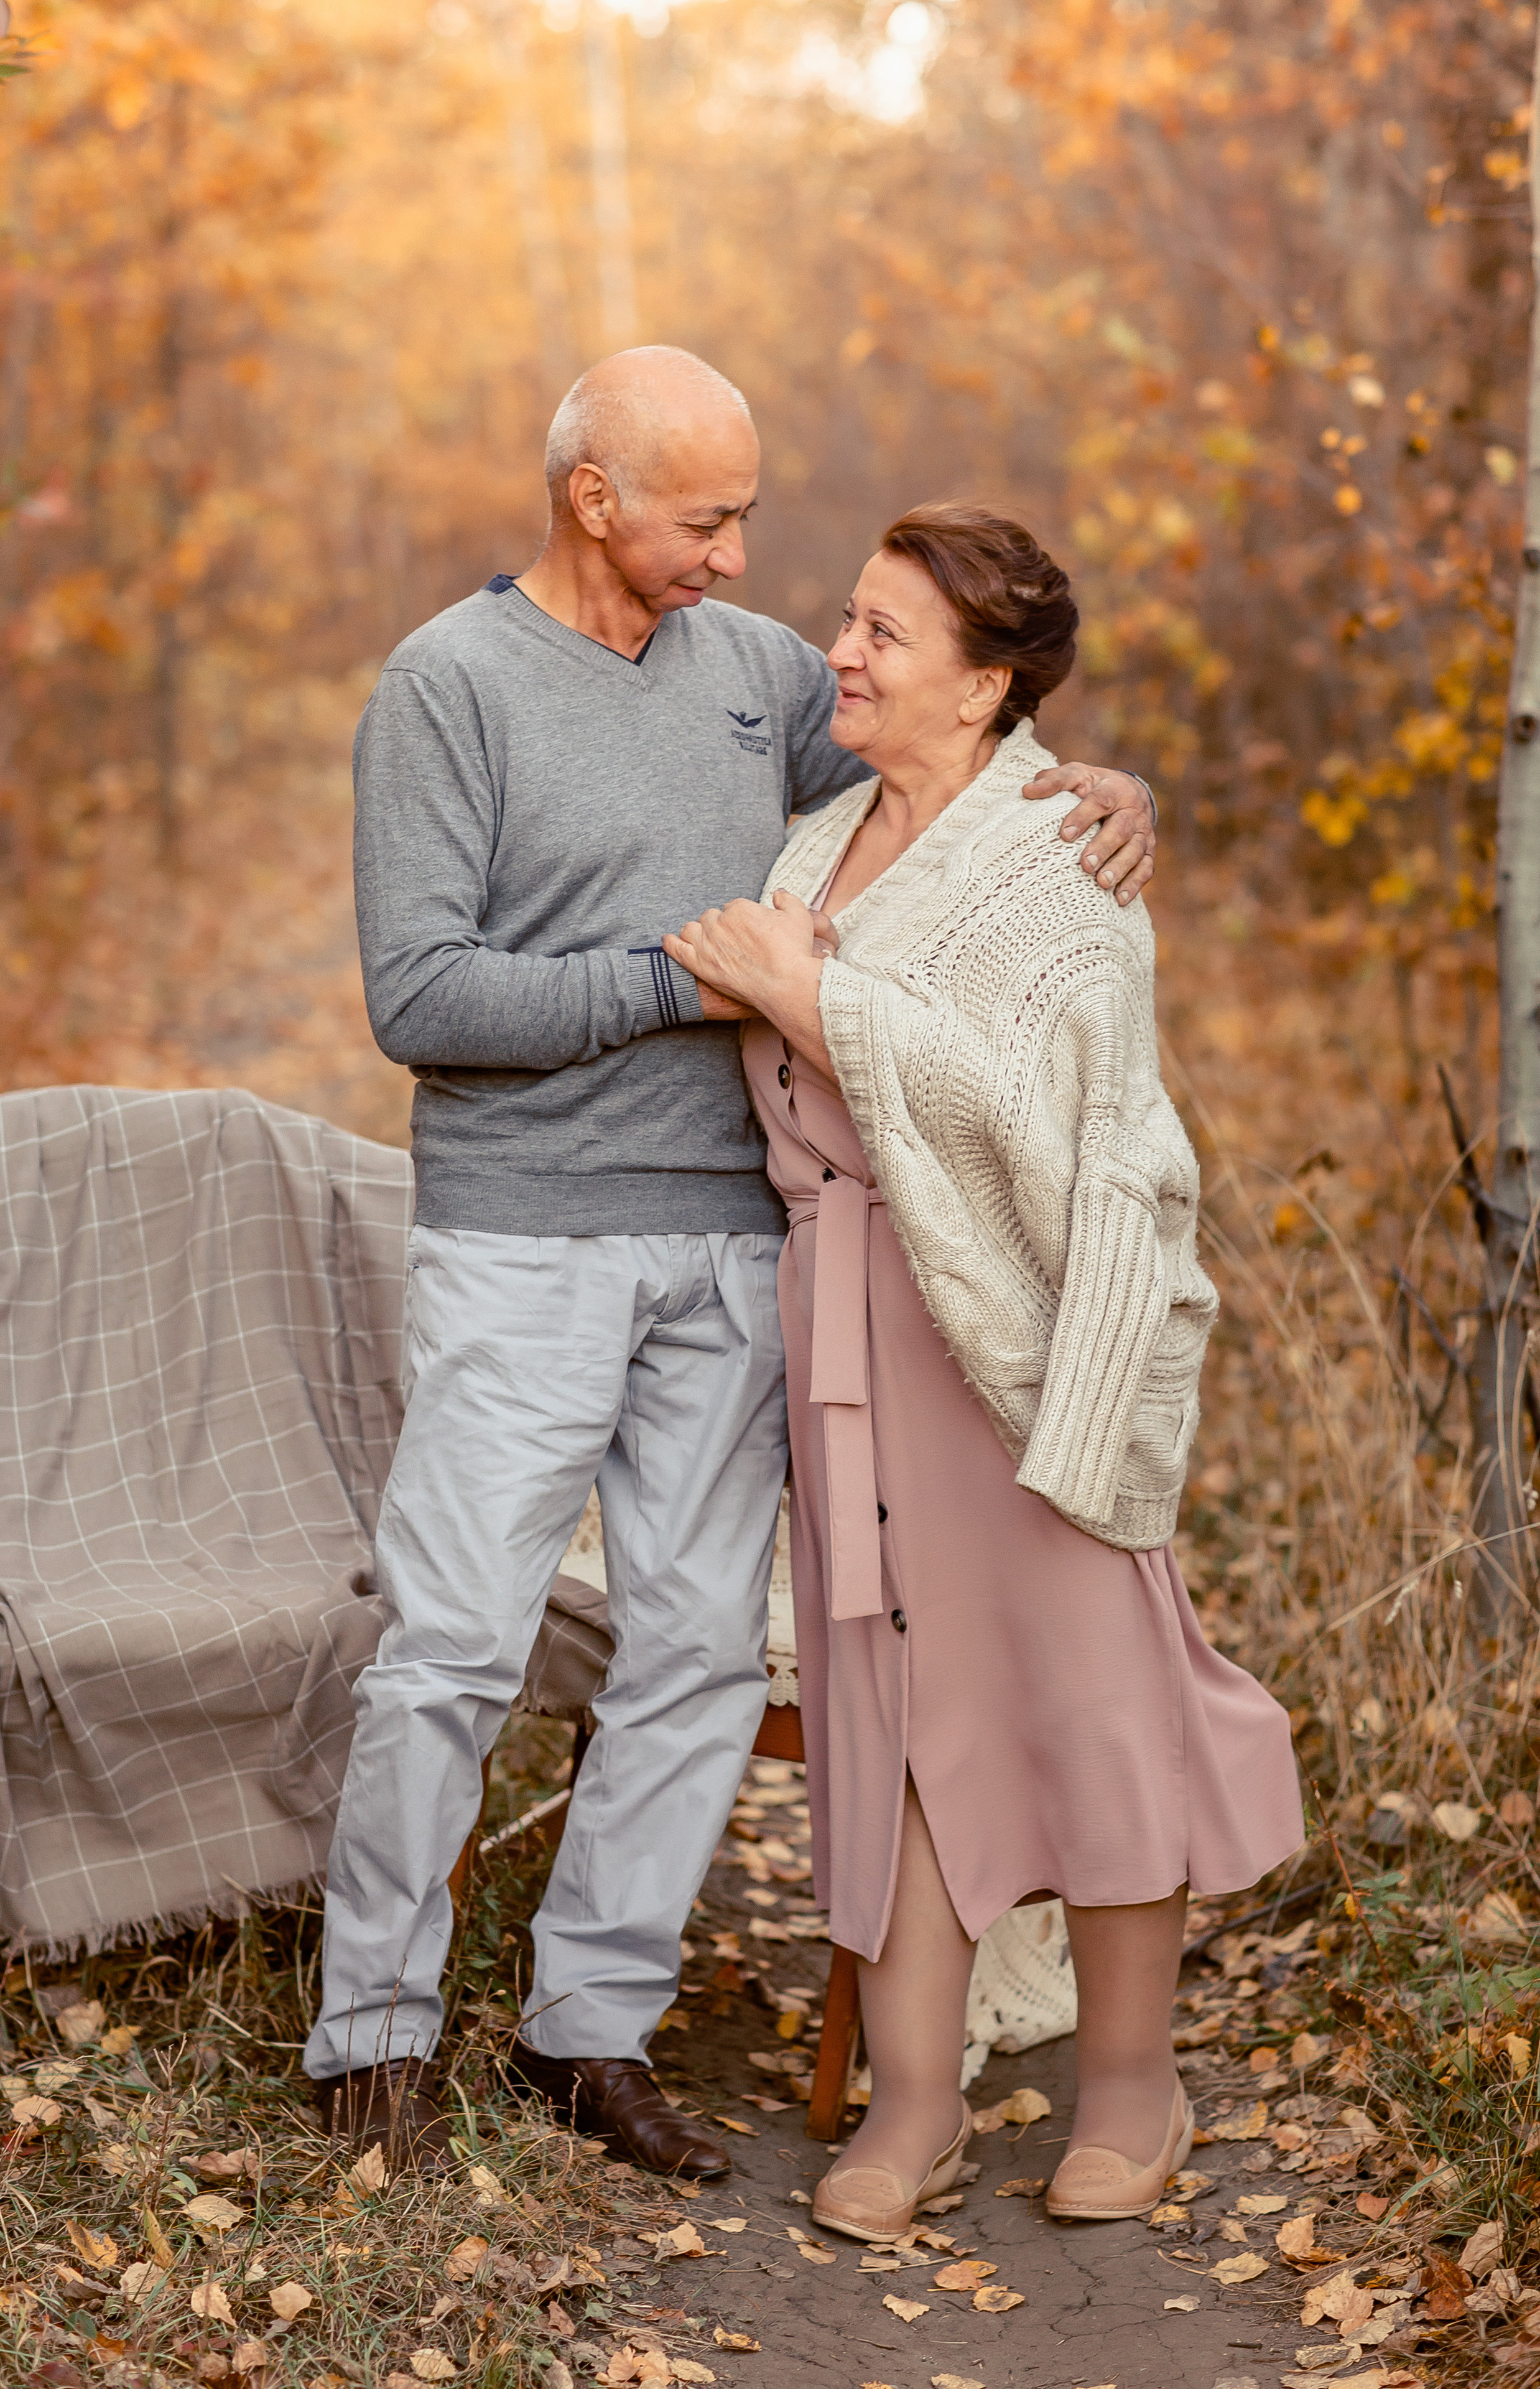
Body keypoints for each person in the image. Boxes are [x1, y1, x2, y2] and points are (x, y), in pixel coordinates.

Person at [305, 353, 1160, 2181]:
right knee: (451, 1647)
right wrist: (676, 980)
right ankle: (369, 2036)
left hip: (732, 1247)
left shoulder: (757, 677)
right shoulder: (446, 688)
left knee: (693, 1654)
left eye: (751, 516)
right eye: (709, 517)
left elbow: (936, 780)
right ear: (593, 497)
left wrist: (1102, 786)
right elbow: (422, 998)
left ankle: (584, 2033)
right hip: (524, 1242)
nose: (740, 551)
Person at [664, 502, 1304, 2233]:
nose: (840, 655)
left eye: (882, 633)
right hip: (847, 1323)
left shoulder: (1062, 872)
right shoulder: (811, 844)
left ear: (989, 688)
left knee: (1093, 1706)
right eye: (847, 619)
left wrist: (821, 1005)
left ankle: (1127, 2088)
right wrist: (800, 980)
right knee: (896, 1726)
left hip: (1022, 1343)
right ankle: (919, 2106)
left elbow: (1060, 1132)